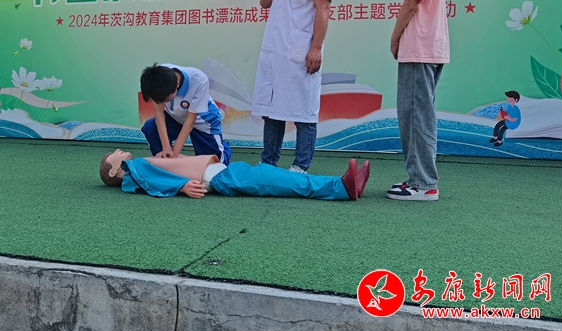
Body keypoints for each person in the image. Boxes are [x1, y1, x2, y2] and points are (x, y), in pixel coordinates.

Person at [251, 0, 339, 173]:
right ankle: (268, 162)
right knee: (272, 109)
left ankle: (301, 165)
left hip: (301, 50)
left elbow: (323, 9)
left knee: (303, 109)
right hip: (275, 50)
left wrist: (316, 48)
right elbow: (264, 2)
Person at [386, 0, 450, 201]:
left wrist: (395, 37)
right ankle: (421, 179)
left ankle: (423, 184)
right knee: (419, 114)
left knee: (416, 116)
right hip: (428, 47)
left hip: (419, 48)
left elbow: (412, 2)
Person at [99, 149, 370, 201]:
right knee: (279, 180)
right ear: (114, 170)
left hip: (223, 173)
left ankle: (344, 185)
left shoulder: (137, 171)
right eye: (115, 154)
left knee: (274, 176)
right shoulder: (134, 169)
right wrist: (181, 186)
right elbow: (151, 181)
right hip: (220, 178)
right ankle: (341, 187)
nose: (119, 151)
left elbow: (151, 180)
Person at [140, 63, 231, 165]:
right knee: (150, 128)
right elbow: (159, 113)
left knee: (215, 164)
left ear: (177, 84)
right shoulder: (157, 79)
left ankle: (224, 147)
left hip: (203, 121)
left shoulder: (199, 80)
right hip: (175, 117)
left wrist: (174, 154)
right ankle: (164, 165)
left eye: (165, 100)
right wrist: (166, 149)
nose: (162, 103)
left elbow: (190, 121)